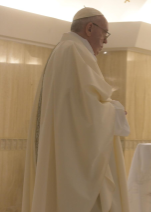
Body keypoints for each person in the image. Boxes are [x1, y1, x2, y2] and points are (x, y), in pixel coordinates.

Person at [22, 7, 130, 212]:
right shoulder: (73, 51)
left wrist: (108, 108)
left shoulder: (64, 50)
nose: (105, 41)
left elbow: (75, 106)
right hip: (74, 160)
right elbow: (83, 112)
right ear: (90, 28)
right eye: (104, 33)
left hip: (65, 150)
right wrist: (114, 111)